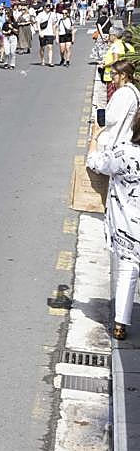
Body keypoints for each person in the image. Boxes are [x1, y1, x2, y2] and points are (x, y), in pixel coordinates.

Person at [88, 114, 140, 340]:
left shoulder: (124, 153)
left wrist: (94, 138)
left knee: (127, 273)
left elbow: (96, 162)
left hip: (128, 226)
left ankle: (120, 324)